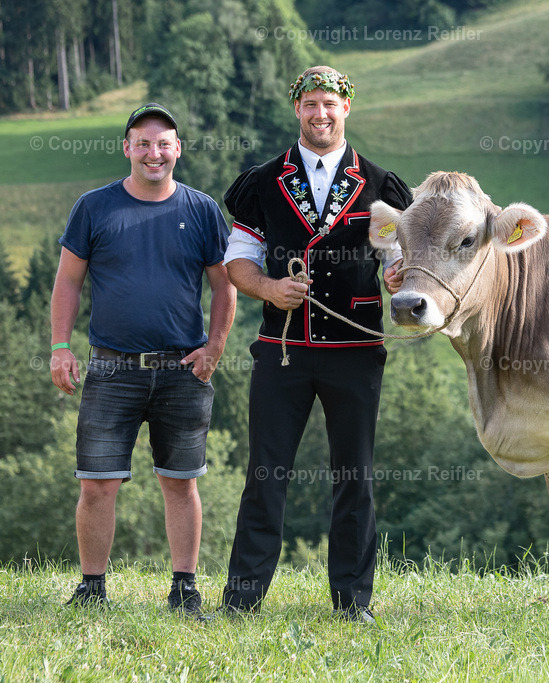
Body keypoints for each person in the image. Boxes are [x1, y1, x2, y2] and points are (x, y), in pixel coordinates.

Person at [220, 66, 412, 621]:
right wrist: (269, 289)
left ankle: (353, 604)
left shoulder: (379, 185)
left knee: (355, 475)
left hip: (355, 351)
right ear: (297, 110)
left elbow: (393, 258)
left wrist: (398, 274)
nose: (320, 114)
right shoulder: (262, 181)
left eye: (329, 103)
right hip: (282, 349)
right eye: (310, 104)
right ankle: (242, 600)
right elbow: (238, 262)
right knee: (266, 473)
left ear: (346, 109)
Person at [50, 103, 236, 616]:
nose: (154, 153)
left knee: (181, 481)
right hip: (111, 368)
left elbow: (225, 286)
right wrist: (60, 347)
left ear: (177, 149)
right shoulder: (94, 207)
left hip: (183, 368)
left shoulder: (201, 210)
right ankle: (92, 589)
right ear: (127, 148)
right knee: (97, 485)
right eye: (144, 143)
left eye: (164, 143)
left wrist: (215, 347)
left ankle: (184, 589)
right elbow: (68, 280)